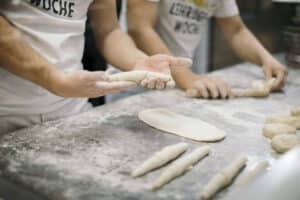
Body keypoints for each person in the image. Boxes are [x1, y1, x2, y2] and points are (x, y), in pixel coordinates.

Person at [0, 0, 189, 135]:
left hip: (71, 108)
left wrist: (138, 61)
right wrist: (55, 80)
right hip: (8, 112)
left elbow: (109, 31)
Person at [127, 0, 288, 99]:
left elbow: (235, 30)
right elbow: (140, 29)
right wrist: (189, 78)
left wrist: (266, 60)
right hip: (139, 81)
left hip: (181, 82)